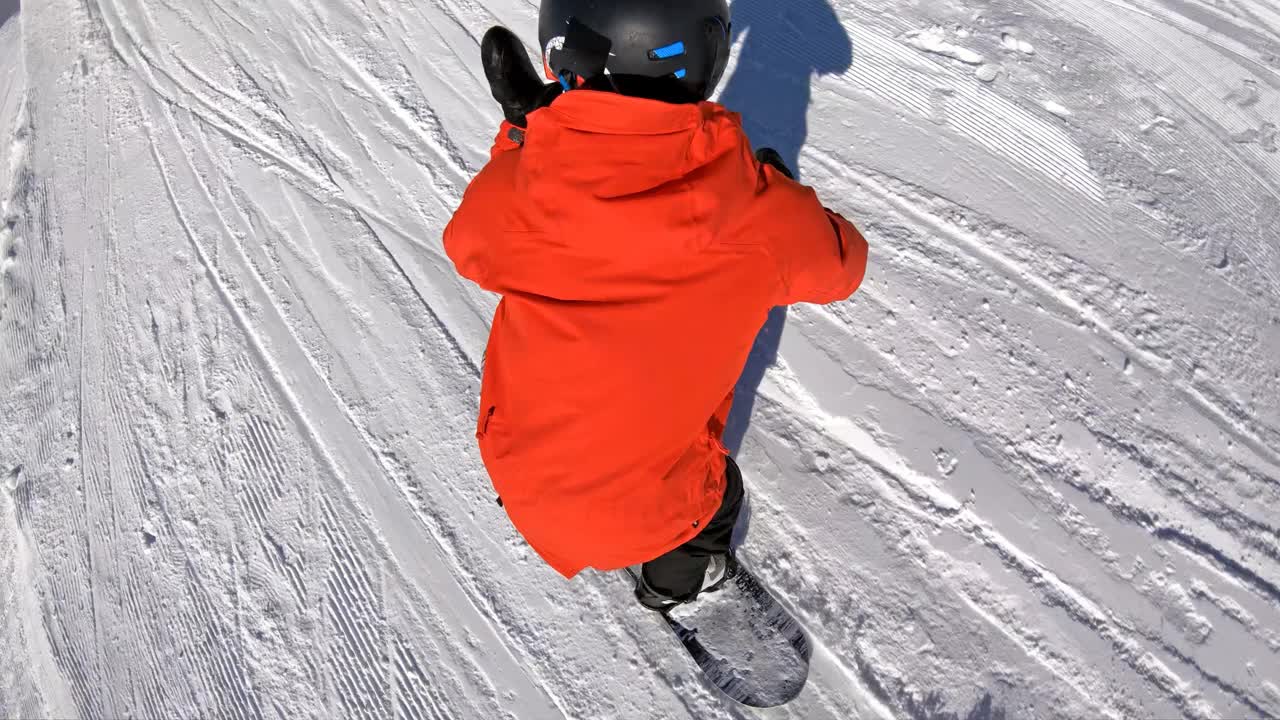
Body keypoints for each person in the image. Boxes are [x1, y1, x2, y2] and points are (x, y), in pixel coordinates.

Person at [444, 0, 868, 612]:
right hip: (642, 516)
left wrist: (524, 136)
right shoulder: (752, 214)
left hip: (517, 471)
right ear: (706, 54)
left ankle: (637, 539)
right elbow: (843, 265)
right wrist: (785, 196)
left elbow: (467, 243)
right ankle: (674, 582)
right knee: (719, 494)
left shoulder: (525, 189)